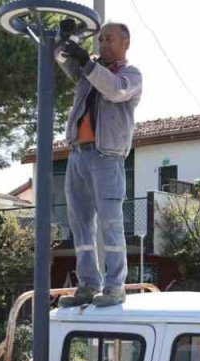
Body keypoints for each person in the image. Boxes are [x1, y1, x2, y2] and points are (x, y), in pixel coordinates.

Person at [55, 22, 143, 308]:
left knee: (110, 223)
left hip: (107, 157)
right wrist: (64, 37)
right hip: (78, 154)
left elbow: (115, 91)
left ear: (125, 43)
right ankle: (87, 285)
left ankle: (115, 287)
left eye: (110, 39)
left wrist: (85, 62)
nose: (103, 44)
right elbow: (61, 59)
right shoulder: (88, 69)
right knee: (80, 226)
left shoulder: (130, 75)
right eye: (101, 39)